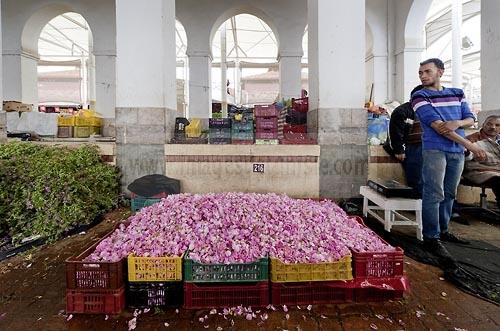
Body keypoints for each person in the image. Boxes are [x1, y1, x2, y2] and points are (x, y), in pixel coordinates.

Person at [411, 58, 486, 256]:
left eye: (427, 71)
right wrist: (470, 146)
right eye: (421, 73)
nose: (423, 75)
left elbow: (471, 118)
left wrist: (458, 123)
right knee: (434, 193)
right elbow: (438, 127)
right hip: (435, 150)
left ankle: (443, 230)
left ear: (440, 72)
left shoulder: (457, 93)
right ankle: (431, 236)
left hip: (457, 152)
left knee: (450, 193)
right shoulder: (419, 96)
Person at [384, 85, 424, 197]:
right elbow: (394, 133)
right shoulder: (402, 112)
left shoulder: (428, 112)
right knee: (416, 177)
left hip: (425, 147)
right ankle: (418, 203)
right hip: (409, 147)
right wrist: (399, 150)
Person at [463, 115, 500, 208]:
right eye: (489, 124)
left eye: (497, 125)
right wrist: (469, 153)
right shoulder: (471, 139)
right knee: (498, 180)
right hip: (478, 171)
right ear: (483, 125)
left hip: (496, 170)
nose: (493, 127)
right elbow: (467, 156)